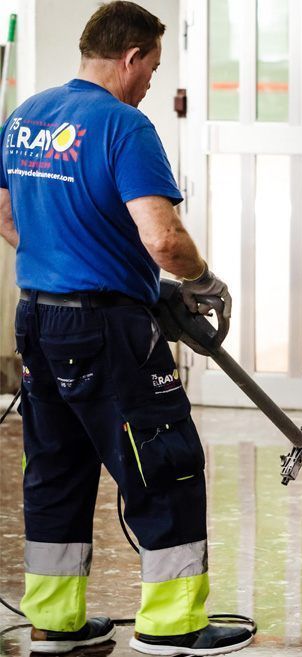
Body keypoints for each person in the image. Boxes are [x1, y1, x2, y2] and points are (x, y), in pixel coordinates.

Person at [0, 2, 254, 655]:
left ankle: (54, 624)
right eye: (152, 67)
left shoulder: (26, 117)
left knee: (54, 466)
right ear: (131, 56)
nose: (150, 84)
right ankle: (172, 626)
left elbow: (4, 209)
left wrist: (59, 257)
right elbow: (164, 239)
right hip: (108, 327)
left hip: (37, 318)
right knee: (164, 462)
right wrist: (202, 281)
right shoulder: (124, 125)